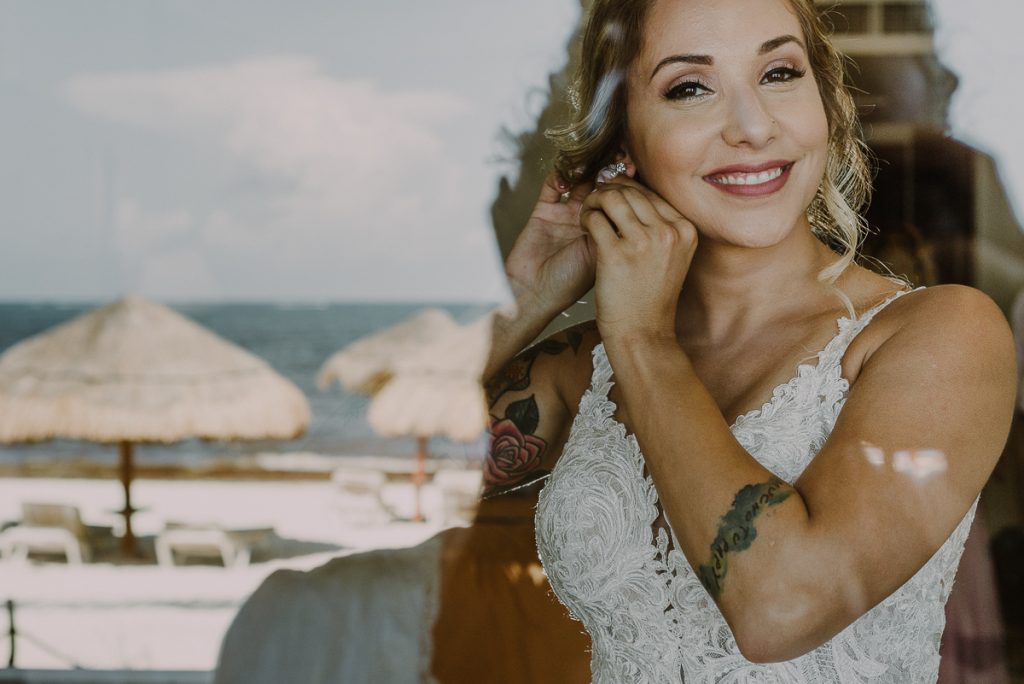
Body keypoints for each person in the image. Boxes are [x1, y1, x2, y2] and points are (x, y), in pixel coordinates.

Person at [479, 0, 1018, 680]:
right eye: (690, 87)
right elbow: (407, 471)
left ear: (823, 102)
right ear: (622, 146)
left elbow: (780, 610)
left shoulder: (940, 336)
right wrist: (525, 302)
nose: (754, 126)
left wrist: (644, 340)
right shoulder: (585, 366)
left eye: (780, 73)